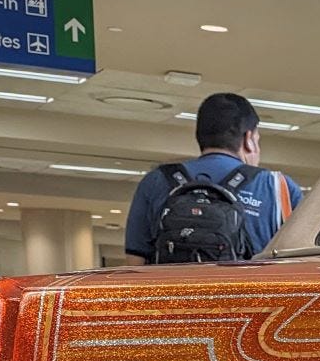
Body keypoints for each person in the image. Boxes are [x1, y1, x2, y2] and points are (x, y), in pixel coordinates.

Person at [123, 92, 302, 264]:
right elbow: (303, 261)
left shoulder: (156, 181)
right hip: (250, 294)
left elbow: (135, 262)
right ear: (249, 138)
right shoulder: (278, 187)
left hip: (175, 294)